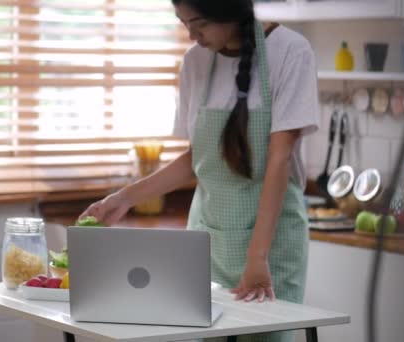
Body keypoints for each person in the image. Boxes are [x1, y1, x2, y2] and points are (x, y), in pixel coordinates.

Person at [80, 0, 319, 340]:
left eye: (200, 23)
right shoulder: (195, 62)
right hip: (209, 243)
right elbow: (198, 160)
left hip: (271, 246)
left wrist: (257, 256)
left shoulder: (290, 52)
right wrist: (123, 198)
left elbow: (278, 161)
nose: (192, 35)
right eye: (183, 23)